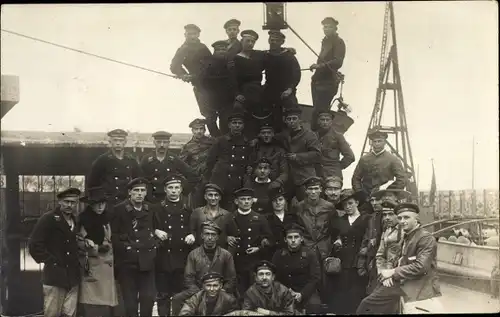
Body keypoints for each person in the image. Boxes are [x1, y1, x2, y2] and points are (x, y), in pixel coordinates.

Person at [356, 203, 442, 314]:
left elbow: (421, 267)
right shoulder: (407, 236)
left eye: (406, 217)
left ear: (416, 219)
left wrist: (392, 272)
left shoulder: (425, 238)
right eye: (400, 218)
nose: (402, 221)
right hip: (403, 282)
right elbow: (397, 260)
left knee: (368, 305)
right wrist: (388, 275)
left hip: (418, 286)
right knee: (371, 303)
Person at [28, 187, 82, 317]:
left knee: (70, 314)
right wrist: (51, 261)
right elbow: (34, 245)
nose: (70, 205)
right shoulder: (48, 219)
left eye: (73, 202)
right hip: (55, 277)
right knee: (52, 313)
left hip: (73, 278)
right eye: (67, 201)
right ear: (60, 201)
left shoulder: (76, 221)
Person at [110, 178, 157, 317]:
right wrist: (126, 249)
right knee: (130, 304)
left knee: (148, 300)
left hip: (147, 262)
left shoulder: (150, 209)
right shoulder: (119, 209)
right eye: (136, 190)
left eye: (142, 190)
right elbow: (114, 235)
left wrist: (154, 248)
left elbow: (156, 230)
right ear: (129, 192)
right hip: (127, 263)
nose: (139, 194)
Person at [171, 221, 237, 315]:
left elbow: (232, 279)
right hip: (198, 290)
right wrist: (200, 292)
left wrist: (222, 289)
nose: (210, 237)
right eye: (207, 234)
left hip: (219, 290)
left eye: (213, 234)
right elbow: (188, 278)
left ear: (217, 237)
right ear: (202, 235)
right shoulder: (193, 254)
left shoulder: (226, 255)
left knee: (233, 301)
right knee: (177, 299)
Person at [153, 174, 195, 316]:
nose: (173, 190)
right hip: (163, 257)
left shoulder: (188, 208)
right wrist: (155, 231)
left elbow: (195, 227)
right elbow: (148, 227)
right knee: (163, 294)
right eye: (170, 187)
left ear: (181, 189)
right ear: (165, 189)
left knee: (180, 295)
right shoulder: (158, 208)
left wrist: (192, 234)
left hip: (182, 257)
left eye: (176, 188)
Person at [294, 176, 337, 304]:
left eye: (316, 189)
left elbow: (333, 227)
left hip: (324, 246)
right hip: (307, 245)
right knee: (309, 274)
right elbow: (297, 226)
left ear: (321, 190)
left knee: (326, 276)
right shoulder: (299, 206)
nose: (313, 192)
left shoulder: (329, 206)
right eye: (310, 189)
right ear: (306, 191)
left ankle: (327, 302)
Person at [358, 189, 410, 295]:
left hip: (397, 272)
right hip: (380, 268)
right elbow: (379, 253)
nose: (387, 218)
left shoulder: (405, 228)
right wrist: (381, 272)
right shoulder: (381, 224)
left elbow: (403, 256)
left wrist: (390, 273)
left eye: (390, 196)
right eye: (385, 215)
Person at [77, 187, 118, 317]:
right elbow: (78, 243)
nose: (100, 206)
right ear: (91, 204)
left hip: (108, 267)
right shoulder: (83, 220)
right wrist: (96, 248)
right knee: (93, 304)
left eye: (103, 203)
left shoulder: (107, 218)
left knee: (107, 306)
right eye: (97, 203)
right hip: (93, 267)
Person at [225, 188, 273, 297]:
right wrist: (226, 238)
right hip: (235, 260)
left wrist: (259, 248)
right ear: (236, 201)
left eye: (248, 199)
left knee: (255, 291)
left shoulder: (260, 218)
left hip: (253, 260)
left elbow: (269, 239)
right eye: (242, 199)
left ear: (252, 201)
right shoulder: (229, 217)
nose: (246, 202)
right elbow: (222, 234)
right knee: (237, 291)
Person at [329, 189, 370, 314]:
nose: (347, 207)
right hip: (343, 259)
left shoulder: (366, 219)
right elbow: (334, 235)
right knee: (342, 289)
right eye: (345, 205)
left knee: (357, 290)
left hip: (360, 259)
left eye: (350, 203)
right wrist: (337, 240)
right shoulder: (339, 221)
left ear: (357, 202)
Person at [204, 107, 252, 211]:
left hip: (236, 184)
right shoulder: (221, 141)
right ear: (229, 125)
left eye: (240, 123)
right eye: (234, 123)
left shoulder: (247, 143)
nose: (237, 125)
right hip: (220, 182)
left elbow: (248, 162)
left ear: (243, 126)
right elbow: (210, 162)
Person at [272, 223, 322, 314]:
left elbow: (315, 278)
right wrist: (287, 291)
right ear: (285, 239)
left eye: (296, 237)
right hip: (285, 291)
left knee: (314, 306)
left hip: (306, 291)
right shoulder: (278, 255)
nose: (293, 240)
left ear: (302, 239)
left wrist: (302, 294)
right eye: (290, 237)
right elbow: (274, 278)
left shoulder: (310, 254)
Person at [275, 106, 321, 202]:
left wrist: (297, 156)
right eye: (289, 119)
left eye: (294, 118)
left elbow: (317, 154)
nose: (291, 121)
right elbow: (271, 138)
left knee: (307, 203)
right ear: (285, 121)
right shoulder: (284, 135)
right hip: (288, 179)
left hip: (305, 178)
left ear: (300, 120)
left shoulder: (309, 135)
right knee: (283, 204)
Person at [140, 131, 198, 203]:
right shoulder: (146, 159)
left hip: (169, 200)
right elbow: (139, 180)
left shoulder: (173, 159)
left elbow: (193, 176)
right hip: (151, 200)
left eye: (165, 142)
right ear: (154, 142)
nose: (162, 145)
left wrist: (182, 192)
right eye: (159, 142)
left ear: (169, 143)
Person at [310, 17, 346, 131]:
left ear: (335, 28)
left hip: (328, 82)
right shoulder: (325, 41)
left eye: (329, 27)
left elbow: (338, 61)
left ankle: (320, 137)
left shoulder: (338, 41)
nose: (326, 29)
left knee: (321, 112)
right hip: (318, 81)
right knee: (317, 110)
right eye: (325, 27)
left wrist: (320, 66)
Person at [87, 129, 141, 205]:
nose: (118, 143)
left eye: (121, 140)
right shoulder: (102, 160)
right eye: (115, 140)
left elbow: (138, 181)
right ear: (110, 142)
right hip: (109, 203)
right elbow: (92, 184)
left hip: (127, 203)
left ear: (125, 142)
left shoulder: (131, 160)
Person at [170, 23, 213, 119]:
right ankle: (215, 134)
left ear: (198, 35)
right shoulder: (183, 49)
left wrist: (194, 75)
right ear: (185, 35)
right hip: (199, 85)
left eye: (194, 34)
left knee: (217, 110)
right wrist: (184, 74)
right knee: (207, 113)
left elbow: (211, 65)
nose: (192, 36)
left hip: (212, 82)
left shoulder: (203, 47)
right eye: (190, 34)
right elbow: (174, 67)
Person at [262, 30, 301, 133]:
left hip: (286, 90)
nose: (273, 42)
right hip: (270, 90)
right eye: (271, 40)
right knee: (269, 113)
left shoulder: (289, 56)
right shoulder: (265, 55)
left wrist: (290, 89)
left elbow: (296, 74)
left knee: (292, 110)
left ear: (282, 42)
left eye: (276, 40)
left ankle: (294, 134)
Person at [232, 29, 268, 139]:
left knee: (262, 114)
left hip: (257, 90)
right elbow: (232, 79)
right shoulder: (235, 58)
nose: (250, 44)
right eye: (247, 41)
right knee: (238, 111)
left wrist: (288, 49)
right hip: (243, 91)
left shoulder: (258, 55)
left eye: (253, 42)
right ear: (241, 41)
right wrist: (237, 94)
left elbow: (272, 53)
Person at [198, 40, 238, 137]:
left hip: (227, 99)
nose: (221, 51)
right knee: (210, 120)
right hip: (211, 99)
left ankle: (225, 140)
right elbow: (202, 81)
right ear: (214, 51)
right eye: (218, 49)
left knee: (225, 120)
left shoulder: (231, 63)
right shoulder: (208, 64)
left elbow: (234, 81)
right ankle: (216, 139)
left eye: (223, 49)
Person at [352, 130, 407, 197]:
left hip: (384, 197)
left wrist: (390, 193)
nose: (377, 144)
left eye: (379, 141)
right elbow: (355, 178)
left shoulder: (393, 159)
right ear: (371, 143)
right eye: (374, 141)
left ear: (385, 142)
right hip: (365, 196)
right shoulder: (364, 159)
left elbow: (402, 179)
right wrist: (359, 192)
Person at [178, 118, 216, 208]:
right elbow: (181, 166)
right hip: (196, 184)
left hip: (211, 181)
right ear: (192, 131)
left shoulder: (213, 143)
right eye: (196, 129)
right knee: (196, 209)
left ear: (204, 130)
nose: (199, 131)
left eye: (201, 129)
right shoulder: (187, 147)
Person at [249, 122, 289, 193]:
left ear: (273, 134)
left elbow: (285, 173)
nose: (266, 135)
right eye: (263, 133)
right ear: (260, 135)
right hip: (256, 185)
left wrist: (277, 182)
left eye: (269, 133)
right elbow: (250, 171)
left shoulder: (280, 151)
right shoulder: (255, 150)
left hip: (274, 185)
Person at [315, 109, 355, 180]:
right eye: (322, 120)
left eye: (327, 120)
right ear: (318, 121)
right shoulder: (313, 136)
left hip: (332, 175)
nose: (325, 122)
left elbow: (350, 156)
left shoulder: (338, 136)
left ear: (331, 122)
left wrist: (337, 167)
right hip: (316, 175)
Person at [265, 187, 298, 261]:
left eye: (280, 200)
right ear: (271, 203)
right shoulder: (266, 219)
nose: (278, 203)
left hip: (292, 253)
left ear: (285, 201)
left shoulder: (293, 217)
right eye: (274, 201)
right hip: (273, 254)